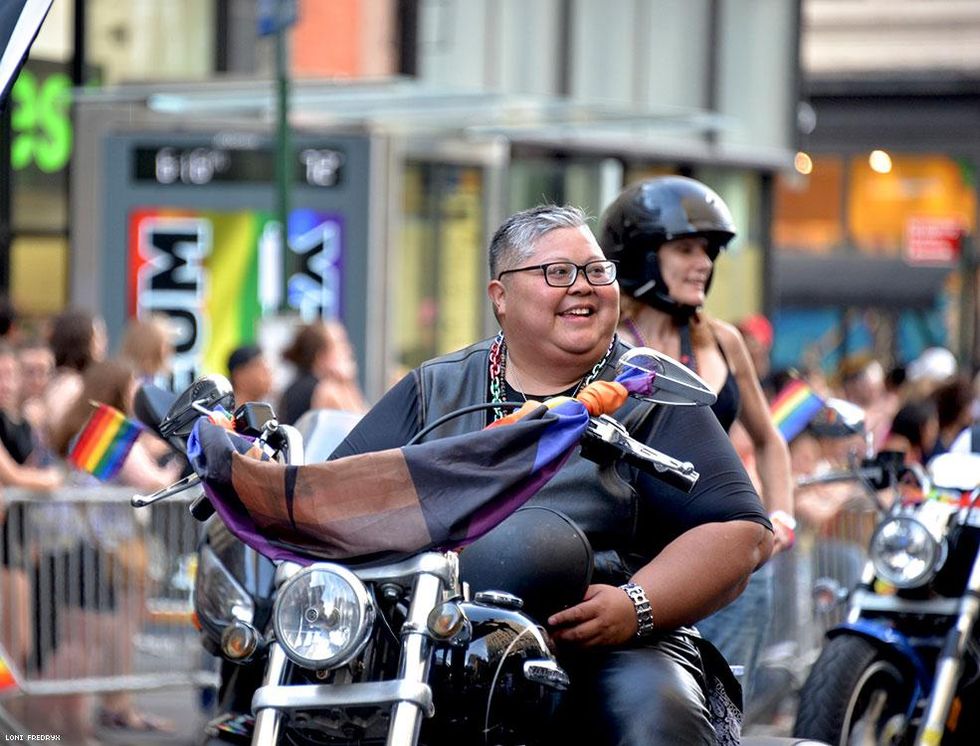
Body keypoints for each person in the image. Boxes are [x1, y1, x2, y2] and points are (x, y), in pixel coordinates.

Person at [331, 204, 773, 744]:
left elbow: (742, 531)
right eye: (558, 273)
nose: (583, 287)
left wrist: (634, 606)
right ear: (501, 297)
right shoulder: (435, 388)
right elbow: (340, 493)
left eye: (596, 271)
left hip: (611, 643)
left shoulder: (649, 391)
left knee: (655, 721)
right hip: (440, 633)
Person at [597, 175, 793, 701]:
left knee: (720, 711)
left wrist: (781, 518)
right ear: (639, 255)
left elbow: (770, 439)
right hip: (641, 568)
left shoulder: (724, 341)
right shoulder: (601, 343)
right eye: (685, 248)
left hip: (729, 569)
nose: (703, 262)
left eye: (707, 250)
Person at [279, 319, 367, 423]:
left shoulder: (298, 385)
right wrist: (348, 383)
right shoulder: (326, 390)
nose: (348, 349)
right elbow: (362, 427)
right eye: (340, 343)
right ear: (320, 356)